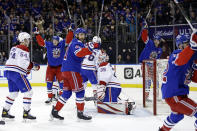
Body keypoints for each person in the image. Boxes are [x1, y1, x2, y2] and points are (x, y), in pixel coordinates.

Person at [51, 28, 98, 120]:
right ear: (76, 35)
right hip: (72, 70)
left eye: (83, 34)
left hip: (66, 70)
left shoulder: (74, 43)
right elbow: (79, 53)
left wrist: (88, 48)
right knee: (80, 91)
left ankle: (55, 111)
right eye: (80, 34)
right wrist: (90, 48)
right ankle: (80, 113)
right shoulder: (76, 43)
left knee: (67, 92)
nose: (82, 36)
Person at [159, 32, 197, 131]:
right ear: (180, 45)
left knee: (177, 116)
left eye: (189, 43)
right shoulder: (176, 54)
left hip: (179, 95)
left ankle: (162, 130)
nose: (189, 45)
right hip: (174, 95)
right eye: (187, 43)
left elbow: (194, 79)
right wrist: (192, 47)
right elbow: (181, 60)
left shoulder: (190, 58)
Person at [2, 32, 40, 120]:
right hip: (16, 73)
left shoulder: (13, 48)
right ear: (23, 40)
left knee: (13, 93)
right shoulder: (24, 48)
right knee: (29, 92)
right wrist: (33, 66)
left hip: (9, 71)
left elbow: (17, 62)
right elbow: (23, 63)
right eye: (28, 39)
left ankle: (5, 111)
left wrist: (28, 69)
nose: (29, 41)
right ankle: (26, 112)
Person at [34, 26, 74, 104]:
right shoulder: (49, 45)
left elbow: (68, 39)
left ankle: (61, 97)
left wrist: (70, 31)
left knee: (62, 83)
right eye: (53, 40)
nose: (54, 41)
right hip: (50, 68)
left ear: (58, 41)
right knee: (49, 83)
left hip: (60, 67)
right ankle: (49, 98)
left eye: (56, 40)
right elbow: (41, 42)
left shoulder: (62, 45)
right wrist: (37, 34)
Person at [139, 22, 163, 100]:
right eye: (155, 39)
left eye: (158, 40)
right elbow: (144, 37)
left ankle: (156, 97)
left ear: (159, 41)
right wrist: (145, 29)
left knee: (156, 81)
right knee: (147, 81)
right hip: (145, 63)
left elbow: (157, 60)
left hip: (152, 65)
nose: (156, 41)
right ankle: (145, 97)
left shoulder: (159, 50)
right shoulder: (150, 43)